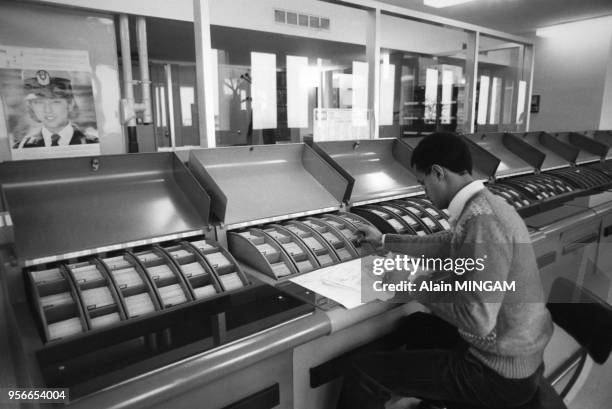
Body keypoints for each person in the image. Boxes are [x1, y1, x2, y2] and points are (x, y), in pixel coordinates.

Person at [337, 132, 553, 409]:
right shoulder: (483, 205)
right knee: (415, 328)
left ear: (438, 172)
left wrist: (411, 284)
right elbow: (448, 244)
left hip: (498, 372)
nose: (423, 192)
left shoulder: (484, 222)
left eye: (422, 182)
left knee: (363, 370)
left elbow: (477, 320)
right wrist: (385, 241)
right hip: (513, 353)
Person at [15, 69, 98, 148]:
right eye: (39, 102)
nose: (47, 110)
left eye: (55, 102)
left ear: (70, 103)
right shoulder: (22, 147)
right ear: (31, 106)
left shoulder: (92, 144)